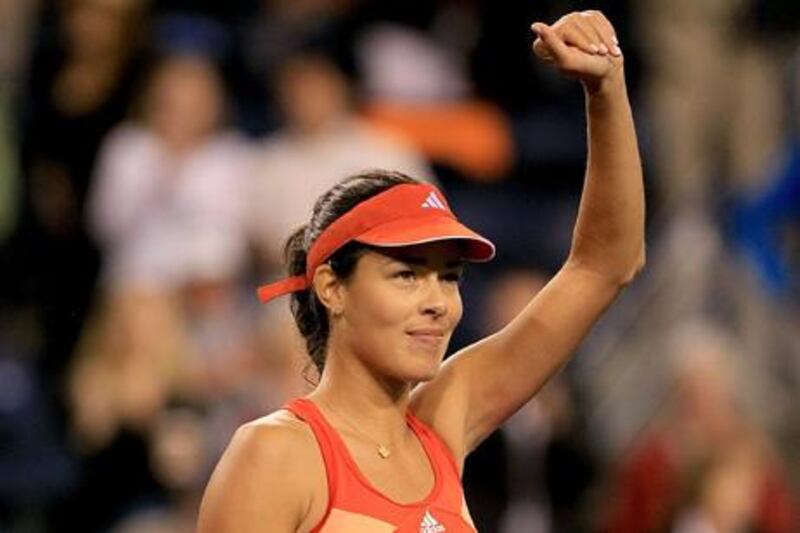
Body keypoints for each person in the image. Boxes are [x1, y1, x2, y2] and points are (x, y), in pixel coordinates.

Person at [198, 10, 644, 532]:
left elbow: (605, 265)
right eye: (406, 274)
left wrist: (605, 91)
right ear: (332, 288)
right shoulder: (277, 453)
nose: (437, 300)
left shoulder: (444, 421)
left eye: (448, 276)